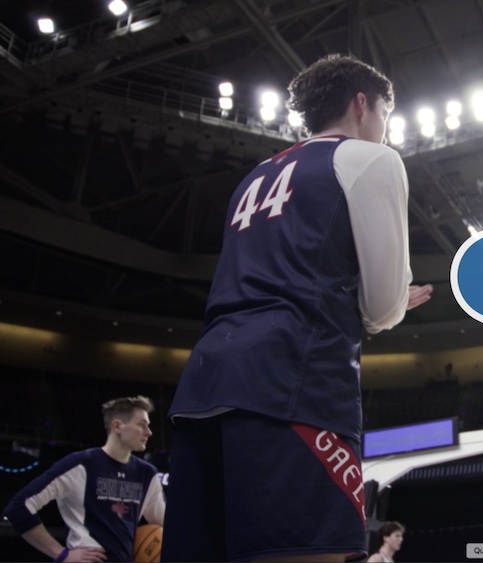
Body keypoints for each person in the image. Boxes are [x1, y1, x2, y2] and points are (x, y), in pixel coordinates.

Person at [161, 53, 432, 562]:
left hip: (204, 384)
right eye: (385, 118)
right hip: (292, 380)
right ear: (361, 104)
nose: (385, 133)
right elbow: (381, 307)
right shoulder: (370, 158)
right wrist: (394, 302)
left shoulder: (254, 177)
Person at [3, 395, 165, 563]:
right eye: (142, 425)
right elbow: (18, 507)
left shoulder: (147, 473)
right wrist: (61, 554)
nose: (149, 432)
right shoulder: (80, 464)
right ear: (117, 426)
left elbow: (166, 525)